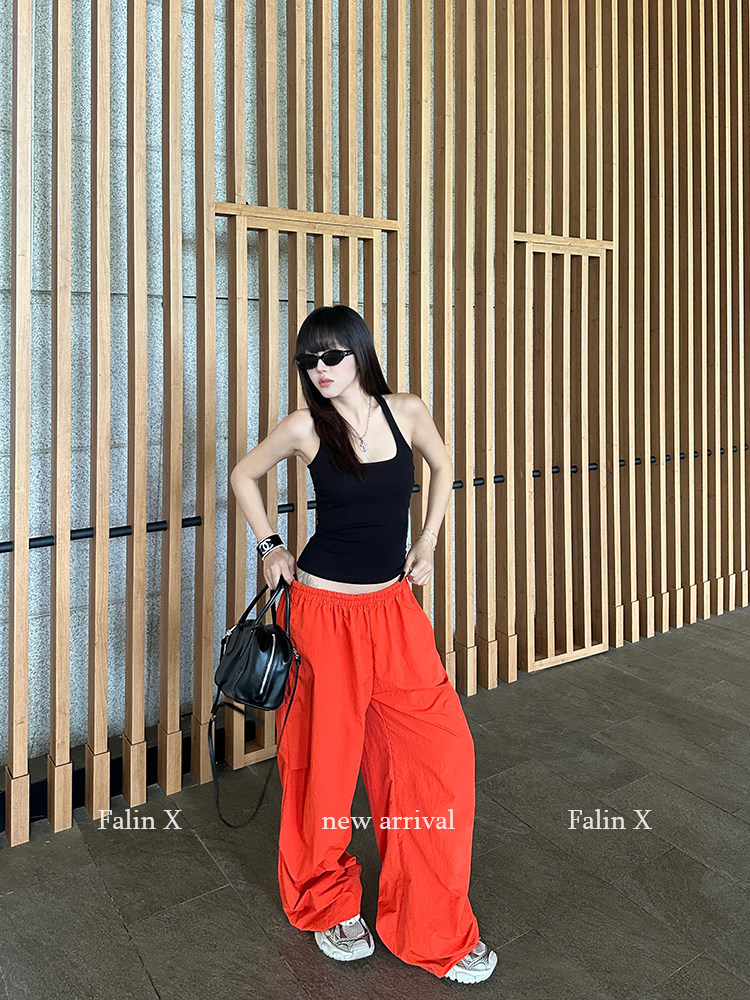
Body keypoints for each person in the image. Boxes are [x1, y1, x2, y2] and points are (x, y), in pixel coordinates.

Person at [229, 304, 497, 984]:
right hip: (321, 616)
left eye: (332, 356)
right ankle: (327, 902)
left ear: (359, 352)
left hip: (394, 611)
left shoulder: (406, 410)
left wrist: (427, 540)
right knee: (323, 767)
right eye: (308, 360)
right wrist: (270, 546)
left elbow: (443, 464)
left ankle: (429, 921)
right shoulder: (304, 426)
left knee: (437, 759)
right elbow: (241, 475)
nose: (320, 369)